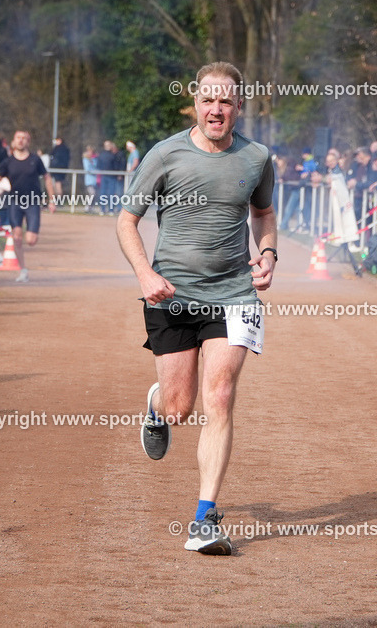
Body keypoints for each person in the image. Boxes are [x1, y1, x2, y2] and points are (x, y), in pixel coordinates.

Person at [116, 61, 276, 555]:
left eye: (225, 101)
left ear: (238, 107)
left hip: (233, 295)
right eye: (208, 100)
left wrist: (267, 254)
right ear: (195, 104)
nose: (216, 109)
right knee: (180, 408)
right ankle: (158, 405)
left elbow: (264, 213)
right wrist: (146, 275)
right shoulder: (165, 154)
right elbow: (127, 221)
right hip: (171, 295)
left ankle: (204, 518)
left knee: (221, 395)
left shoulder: (258, 158)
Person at [0, 130, 56, 282]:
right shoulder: (8, 162)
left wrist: (52, 199)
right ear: (14, 142)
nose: (21, 141)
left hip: (32, 202)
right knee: (16, 237)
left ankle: (29, 241)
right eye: (18, 138)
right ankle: (23, 270)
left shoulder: (35, 160)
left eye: (24, 138)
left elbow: (47, 178)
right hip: (15, 202)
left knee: (31, 240)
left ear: (28, 142)